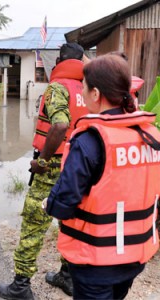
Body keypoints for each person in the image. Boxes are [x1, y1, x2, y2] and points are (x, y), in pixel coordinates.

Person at [43, 54, 160, 299]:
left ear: (95, 94)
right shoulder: (151, 136)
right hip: (135, 257)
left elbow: (63, 202)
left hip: (95, 260)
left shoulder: (90, 140)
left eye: (84, 88)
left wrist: (48, 204)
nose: (83, 93)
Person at [0, 42, 88, 300]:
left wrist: (43, 162)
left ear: (60, 61)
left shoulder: (57, 87)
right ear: (81, 61)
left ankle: (20, 286)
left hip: (54, 165)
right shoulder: (87, 90)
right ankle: (67, 277)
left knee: (34, 225)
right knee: (71, 221)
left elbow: (60, 126)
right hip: (78, 167)